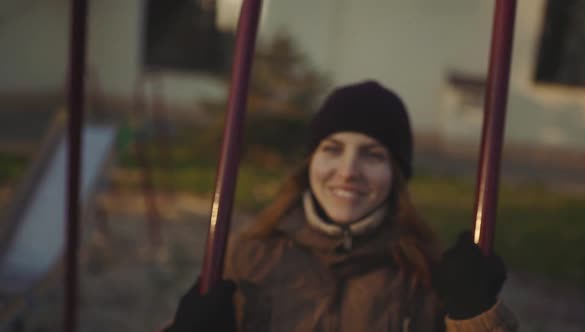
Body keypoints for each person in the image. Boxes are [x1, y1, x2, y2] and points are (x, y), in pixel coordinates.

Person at [164, 81, 518, 331]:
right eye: (332, 149)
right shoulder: (249, 257)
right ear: (310, 163)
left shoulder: (424, 273)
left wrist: (476, 319)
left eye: (373, 155)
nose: (348, 171)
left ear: (396, 175)